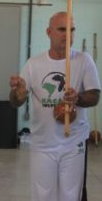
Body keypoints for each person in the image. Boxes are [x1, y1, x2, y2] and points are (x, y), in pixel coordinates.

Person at [9, 12, 100, 201]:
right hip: (42, 143)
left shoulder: (84, 60)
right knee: (43, 196)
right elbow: (15, 101)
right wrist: (18, 92)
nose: (68, 35)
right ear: (49, 32)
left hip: (73, 142)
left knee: (70, 196)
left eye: (72, 30)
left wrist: (78, 98)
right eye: (62, 30)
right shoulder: (34, 64)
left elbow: (94, 96)